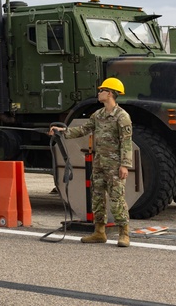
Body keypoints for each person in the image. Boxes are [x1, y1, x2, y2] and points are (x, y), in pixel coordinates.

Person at [49, 77, 133, 247]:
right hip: (99, 163)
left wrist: (125, 164)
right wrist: (62, 132)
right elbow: (83, 129)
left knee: (117, 199)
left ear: (110, 93)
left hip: (115, 165)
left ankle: (124, 233)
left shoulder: (122, 116)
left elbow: (126, 141)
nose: (99, 92)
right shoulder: (98, 115)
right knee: (97, 198)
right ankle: (99, 232)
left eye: (102, 90)